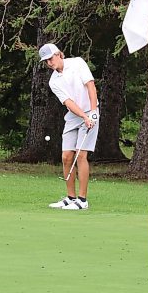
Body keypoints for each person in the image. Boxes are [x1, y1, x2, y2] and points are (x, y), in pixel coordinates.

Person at [39, 43, 99, 210]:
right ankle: (70, 197)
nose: (49, 63)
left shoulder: (78, 63)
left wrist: (92, 112)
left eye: (50, 58)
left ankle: (83, 200)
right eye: (46, 61)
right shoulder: (54, 81)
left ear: (59, 54)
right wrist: (83, 116)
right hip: (74, 116)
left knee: (81, 155)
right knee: (66, 157)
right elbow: (68, 102)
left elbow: (91, 86)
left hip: (91, 111)